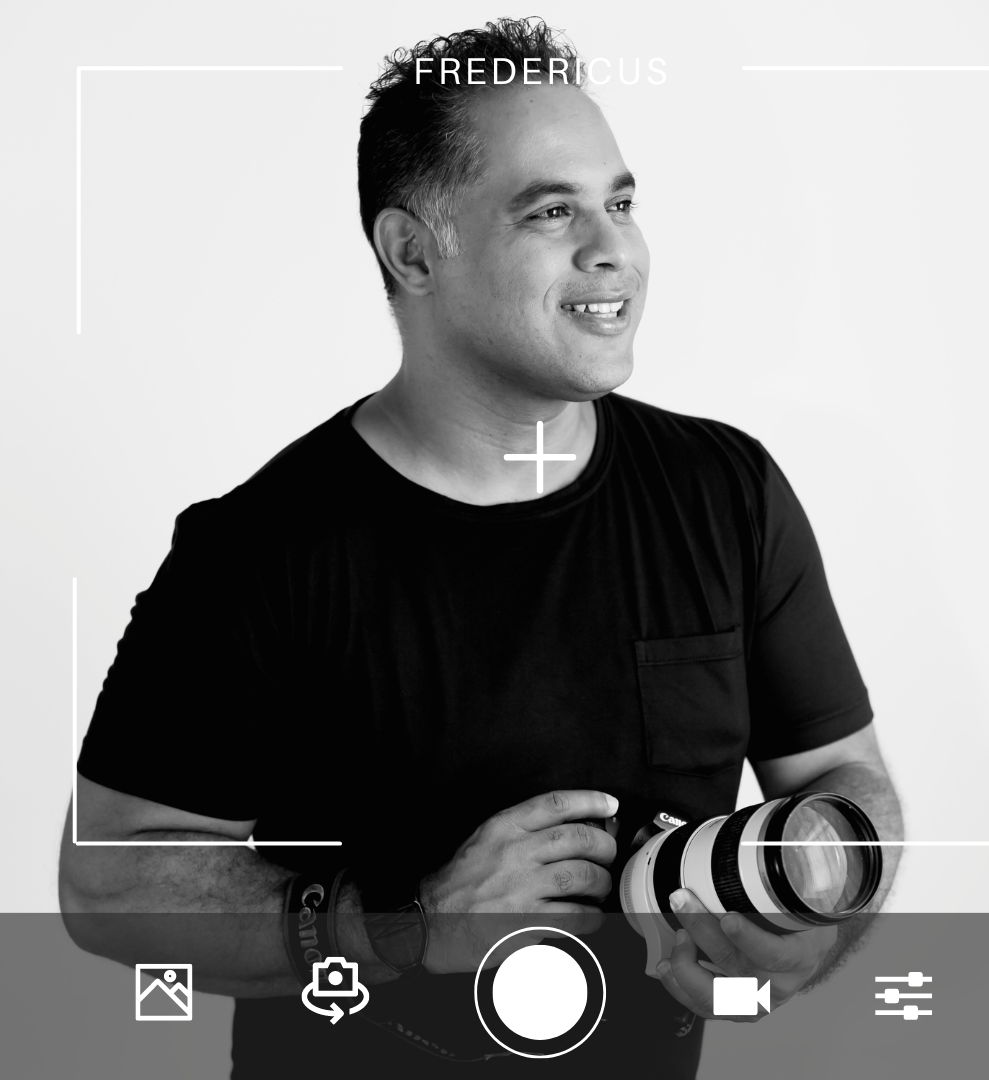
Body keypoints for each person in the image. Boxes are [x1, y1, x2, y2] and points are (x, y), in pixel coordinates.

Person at [59, 17, 903, 1078]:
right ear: (413, 252)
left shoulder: (726, 492)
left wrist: (812, 933)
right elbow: (105, 886)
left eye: (621, 203)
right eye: (552, 211)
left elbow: (841, 779)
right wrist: (405, 922)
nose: (614, 249)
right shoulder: (260, 551)